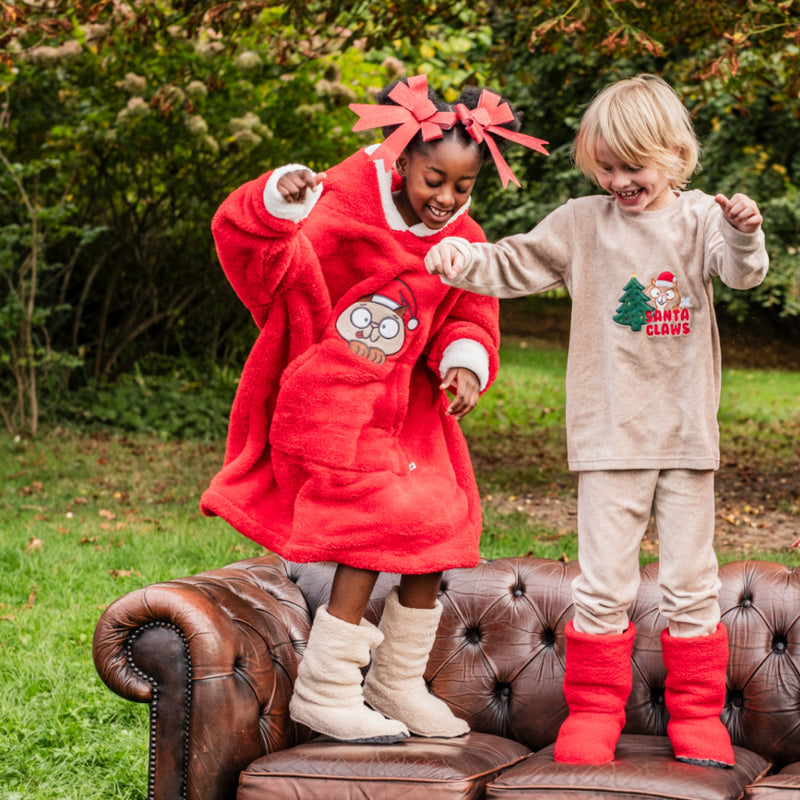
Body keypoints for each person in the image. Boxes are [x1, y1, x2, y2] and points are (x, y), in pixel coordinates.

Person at [425, 74, 768, 767]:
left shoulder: (701, 219)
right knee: (604, 583)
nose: (618, 181)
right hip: (608, 436)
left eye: (632, 167)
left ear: (673, 153)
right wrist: (461, 260)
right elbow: (513, 262)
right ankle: (594, 712)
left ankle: (698, 716)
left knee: (690, 583)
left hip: (685, 437)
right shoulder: (583, 225)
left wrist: (744, 233)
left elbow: (741, 275)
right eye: (605, 168)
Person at [201, 74, 548, 744]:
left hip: (407, 408)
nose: (446, 198)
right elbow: (260, 254)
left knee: (436, 528)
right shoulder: (339, 208)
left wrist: (464, 359)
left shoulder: (464, 238)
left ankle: (396, 680)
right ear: (402, 160)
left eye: (462, 186)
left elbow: (470, 311)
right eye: (433, 180)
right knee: (374, 521)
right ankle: (326, 688)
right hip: (328, 393)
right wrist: (276, 203)